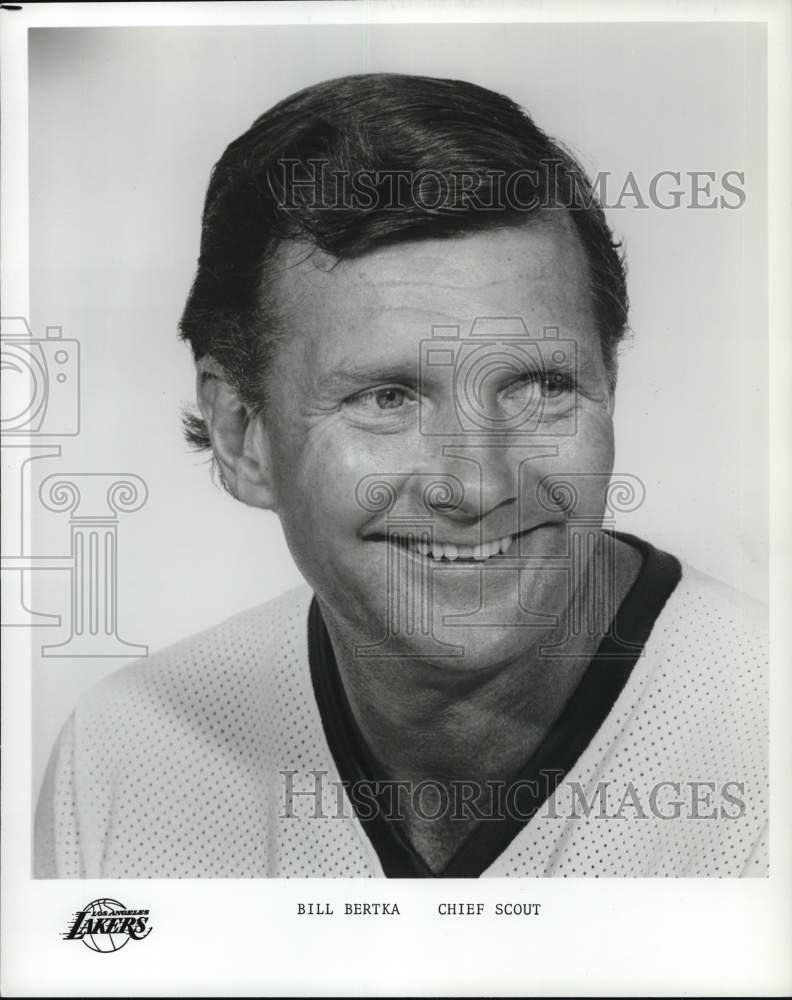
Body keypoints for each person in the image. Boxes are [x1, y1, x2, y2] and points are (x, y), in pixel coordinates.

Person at [34, 73, 767, 878]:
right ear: (243, 435)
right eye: (387, 398)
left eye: (540, 387)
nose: (479, 484)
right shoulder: (124, 758)